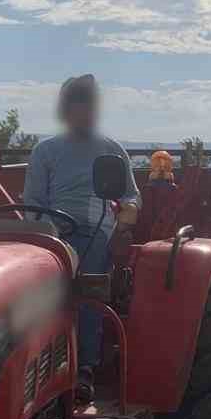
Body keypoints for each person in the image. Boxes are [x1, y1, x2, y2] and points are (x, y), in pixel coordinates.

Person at [22, 75, 140, 389]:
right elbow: (33, 202)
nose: (83, 112)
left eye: (88, 105)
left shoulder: (110, 150)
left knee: (87, 284)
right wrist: (45, 233)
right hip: (50, 230)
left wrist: (124, 221)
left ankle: (83, 366)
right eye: (76, 105)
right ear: (65, 110)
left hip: (94, 228)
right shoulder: (46, 150)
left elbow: (130, 196)